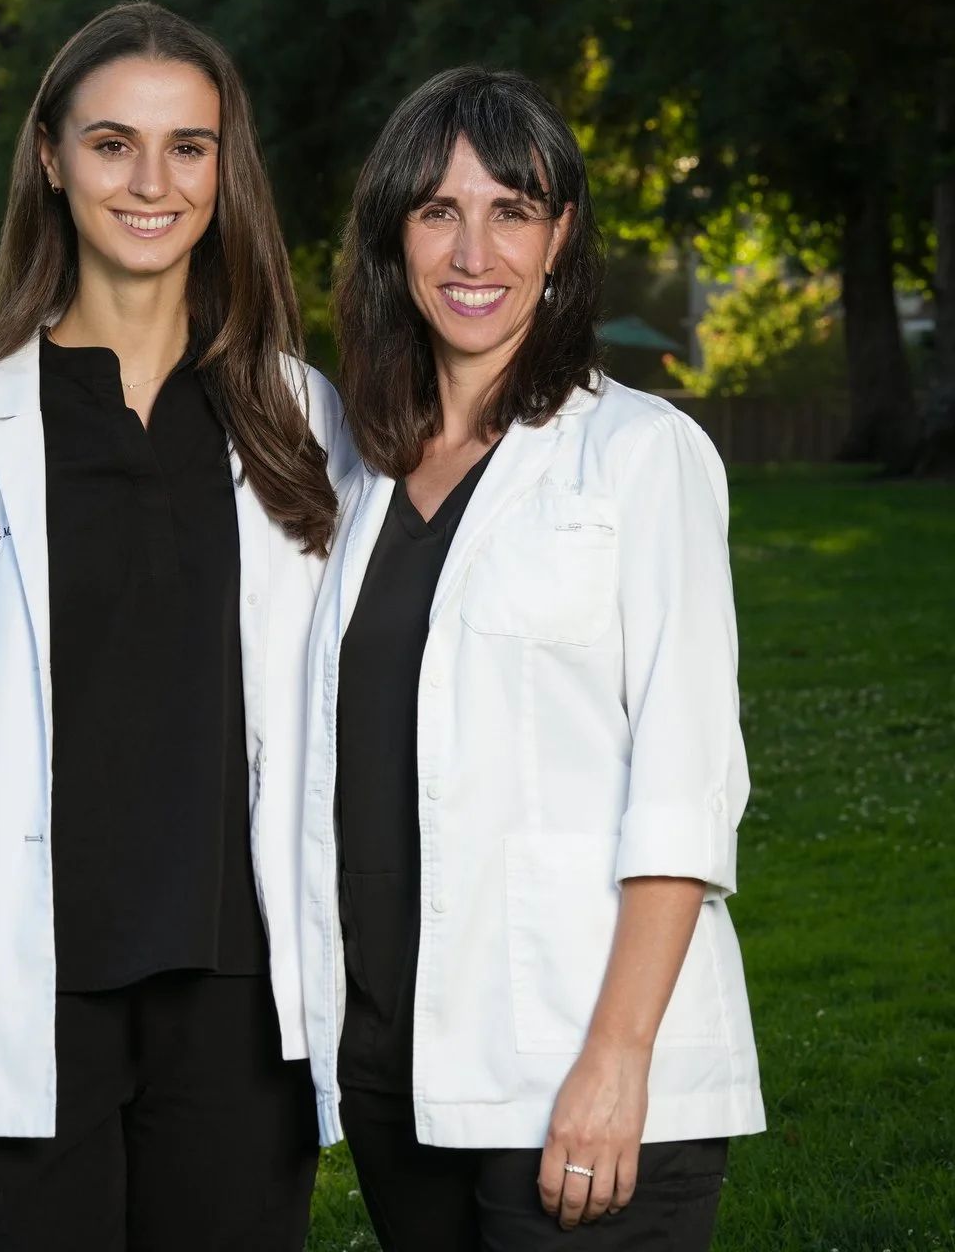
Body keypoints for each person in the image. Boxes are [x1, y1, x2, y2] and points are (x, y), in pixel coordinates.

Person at [0, 0, 350, 1252]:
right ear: (51, 160)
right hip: (20, 995)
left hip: (240, 999)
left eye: (189, 147)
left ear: (225, 173)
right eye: (113, 142)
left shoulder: (301, 414)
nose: (151, 181)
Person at [298, 67, 765, 1251]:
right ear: (392, 235)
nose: (474, 251)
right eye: (439, 211)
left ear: (559, 237)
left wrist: (615, 1062)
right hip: (398, 1076)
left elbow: (685, 786)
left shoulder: (640, 457)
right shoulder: (352, 473)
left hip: (580, 1070)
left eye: (512, 210)